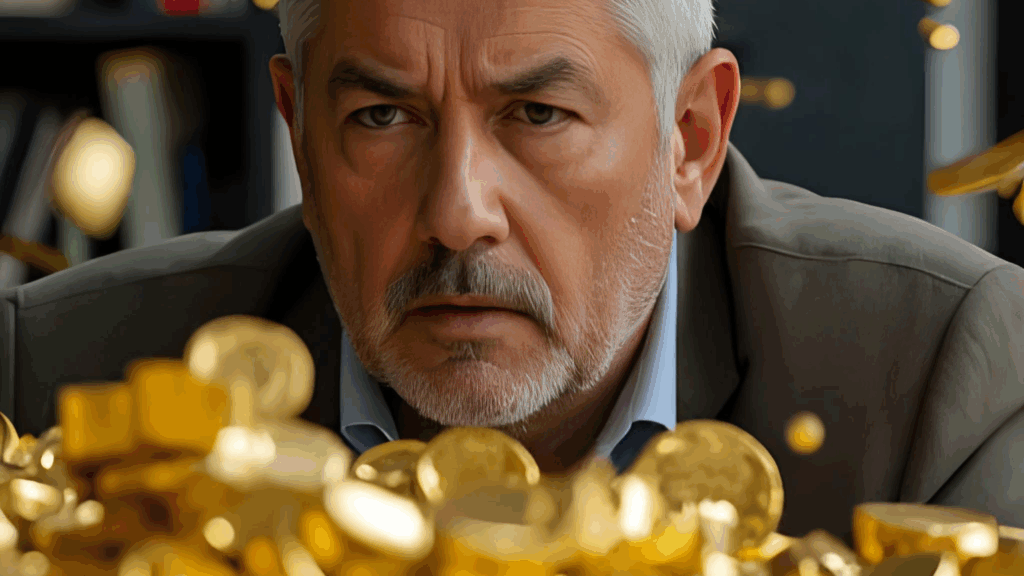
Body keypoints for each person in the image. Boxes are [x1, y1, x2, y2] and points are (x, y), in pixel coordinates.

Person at [2, 0, 1022, 542]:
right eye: (382, 117)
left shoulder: (948, 374)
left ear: (690, 141)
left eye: (537, 116)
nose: (456, 214)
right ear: (300, 140)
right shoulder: (54, 381)